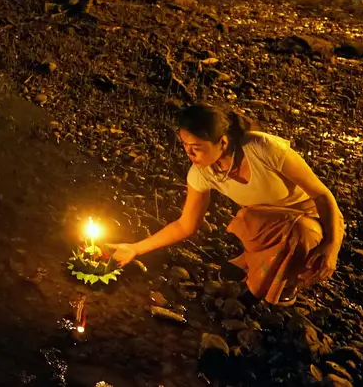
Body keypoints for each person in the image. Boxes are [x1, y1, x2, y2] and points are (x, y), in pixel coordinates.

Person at [108, 103, 344, 306]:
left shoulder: (263, 149)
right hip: (266, 219)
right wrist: (136, 248)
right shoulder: (202, 173)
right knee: (253, 220)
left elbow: (323, 195)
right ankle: (254, 262)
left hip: (312, 217)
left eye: (197, 147)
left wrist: (332, 245)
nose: (189, 153)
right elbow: (186, 225)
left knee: (300, 237)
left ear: (221, 142)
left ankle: (277, 278)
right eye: (185, 145)